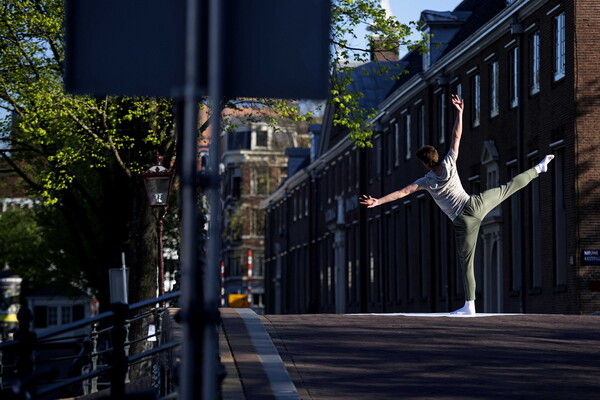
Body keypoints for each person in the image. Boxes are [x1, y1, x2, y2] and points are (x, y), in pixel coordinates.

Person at [360, 94, 554, 315]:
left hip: (463, 221)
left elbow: (402, 193)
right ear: (436, 156)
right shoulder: (450, 162)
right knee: (507, 188)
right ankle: (539, 169)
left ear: (425, 163)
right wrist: (460, 112)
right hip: (475, 204)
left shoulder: (426, 181)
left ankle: (469, 306)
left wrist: (378, 201)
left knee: (467, 263)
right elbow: (456, 135)